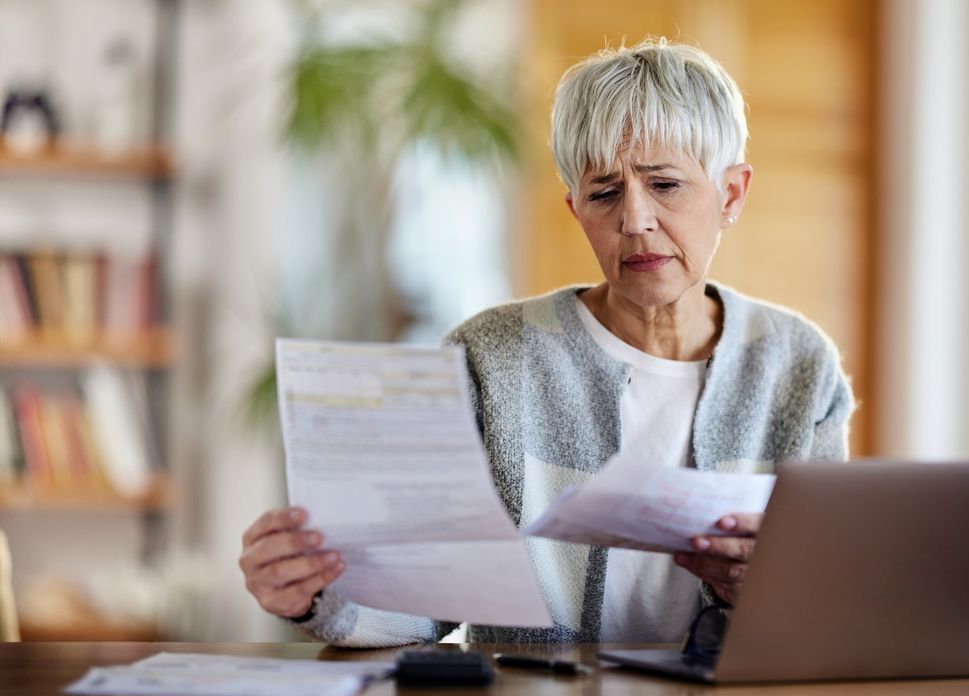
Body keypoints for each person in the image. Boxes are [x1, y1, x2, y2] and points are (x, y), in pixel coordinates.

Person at [239, 37, 854, 647]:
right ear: (575, 208)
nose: (634, 219)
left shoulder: (798, 366)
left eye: (664, 185)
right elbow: (422, 602)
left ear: (732, 194)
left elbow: (827, 607)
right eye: (605, 193)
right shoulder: (490, 358)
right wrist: (317, 595)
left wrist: (766, 591)